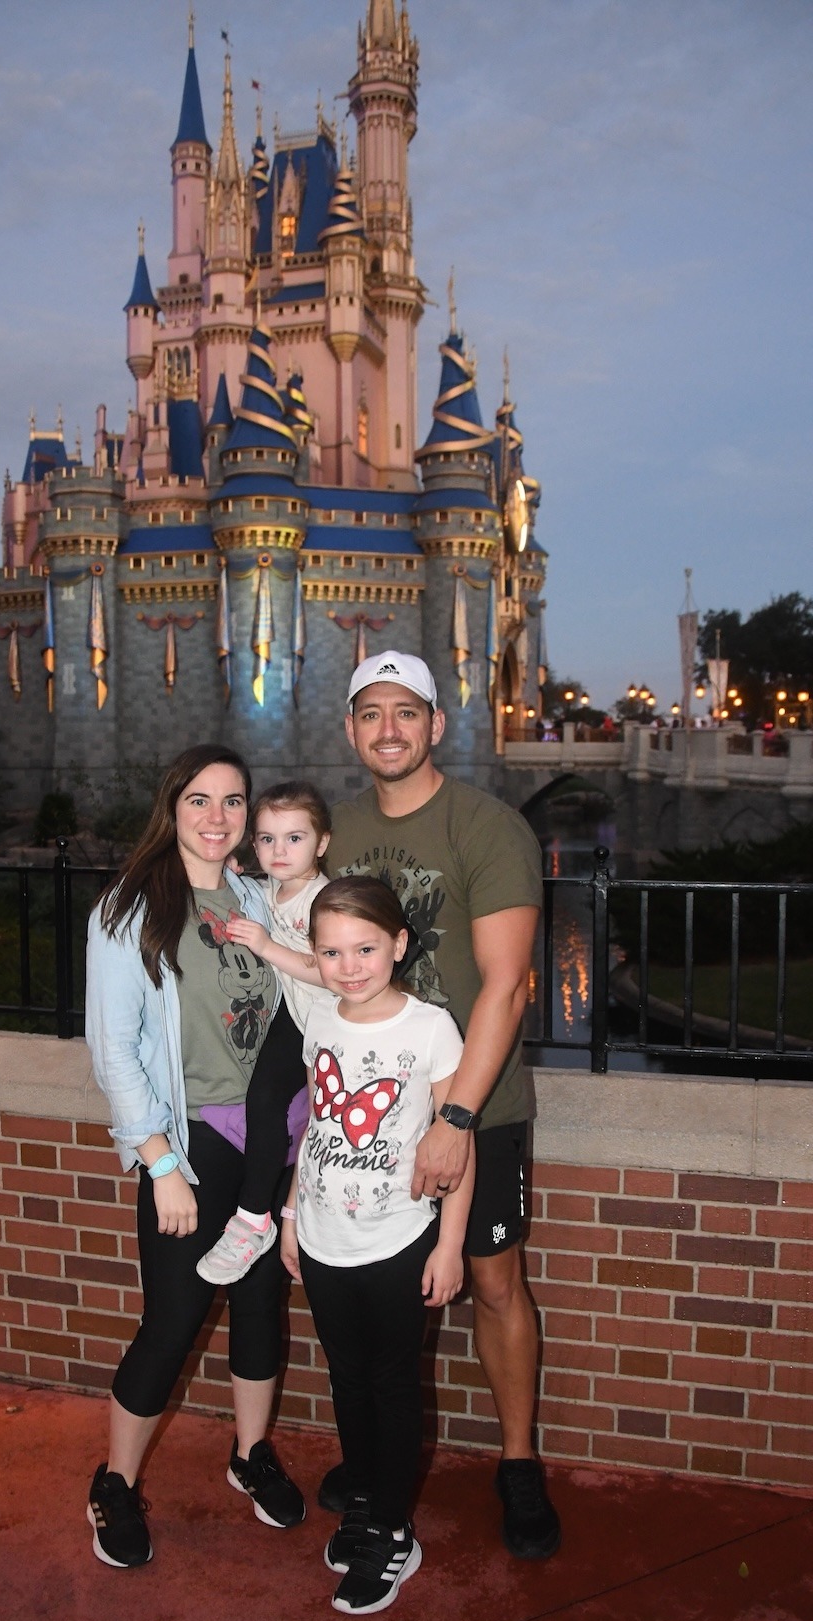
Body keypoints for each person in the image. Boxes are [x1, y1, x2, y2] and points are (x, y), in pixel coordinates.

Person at [325, 649, 561, 1561]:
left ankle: (517, 1461)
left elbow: (504, 988)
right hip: (364, 1114)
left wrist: (455, 1120)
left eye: (406, 712)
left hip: (476, 1106)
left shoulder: (488, 826)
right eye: (371, 713)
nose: (389, 729)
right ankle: (385, 1462)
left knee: (494, 1281)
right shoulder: (334, 830)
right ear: (352, 729)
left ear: (435, 724)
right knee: (380, 1291)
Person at [84, 743, 305, 1571]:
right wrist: (158, 1161)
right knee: (173, 1321)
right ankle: (114, 1481)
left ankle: (249, 1455)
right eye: (201, 801)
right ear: (171, 807)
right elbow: (114, 1051)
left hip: (268, 1140)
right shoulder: (128, 908)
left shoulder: (261, 896)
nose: (218, 818)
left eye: (235, 802)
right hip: (191, 1144)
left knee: (258, 1307)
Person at [279, 875, 473, 1615]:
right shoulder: (322, 1021)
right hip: (325, 1240)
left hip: (398, 1241)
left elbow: (459, 1148)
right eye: (331, 952)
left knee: (391, 1387)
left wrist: (449, 1246)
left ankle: (394, 1530)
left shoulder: (430, 1029)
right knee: (346, 1380)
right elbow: (316, 1127)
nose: (349, 965)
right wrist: (294, 1217)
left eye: (364, 948)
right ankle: (364, 1499)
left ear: (397, 944)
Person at [195, 780, 332, 1286]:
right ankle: (269, 1216)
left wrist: (267, 946)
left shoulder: (324, 900)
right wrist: (232, 875)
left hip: (323, 1023)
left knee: (276, 1103)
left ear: (321, 843)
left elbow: (332, 971)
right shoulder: (274, 887)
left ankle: (256, 1219)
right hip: (291, 1016)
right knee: (272, 1104)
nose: (280, 850)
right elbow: (259, 894)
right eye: (267, 839)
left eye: (294, 839)